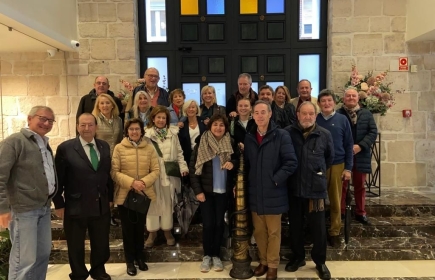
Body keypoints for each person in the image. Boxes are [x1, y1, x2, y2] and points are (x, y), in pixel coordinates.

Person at [54, 113, 113, 280]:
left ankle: (98, 271)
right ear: (77, 127)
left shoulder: (104, 146)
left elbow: (107, 175)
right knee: (75, 244)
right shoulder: (66, 148)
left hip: (100, 204)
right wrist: (59, 203)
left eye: (90, 125)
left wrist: (109, 198)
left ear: (96, 127)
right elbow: (58, 178)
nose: (87, 128)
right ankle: (79, 273)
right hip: (75, 205)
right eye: (83, 125)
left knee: (101, 242)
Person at [0, 106, 57, 280]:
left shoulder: (44, 144)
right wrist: (2, 208)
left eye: (50, 120)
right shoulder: (15, 142)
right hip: (24, 210)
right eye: (42, 118)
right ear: (30, 118)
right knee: (23, 261)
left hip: (43, 207)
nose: (46, 123)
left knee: (41, 256)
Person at [244, 100, 298, 280]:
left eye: (263, 112)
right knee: (259, 232)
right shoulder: (250, 136)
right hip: (255, 192)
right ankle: (263, 261)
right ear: (253, 115)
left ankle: (273, 264)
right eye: (256, 113)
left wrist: (275, 180)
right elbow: (248, 165)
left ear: (270, 114)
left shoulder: (281, 135)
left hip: (274, 192)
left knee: (274, 232)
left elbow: (291, 163)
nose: (259, 116)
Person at [285, 101, 334, 280]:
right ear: (297, 114)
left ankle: (320, 262)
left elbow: (329, 158)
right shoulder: (288, 133)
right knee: (295, 226)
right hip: (294, 188)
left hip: (315, 190)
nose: (307, 117)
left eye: (311, 114)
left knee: (319, 229)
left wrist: (316, 171)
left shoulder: (325, 134)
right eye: (304, 113)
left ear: (316, 115)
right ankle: (298, 257)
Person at [189, 114, 239, 273]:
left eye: (222, 125)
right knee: (209, 224)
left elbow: (238, 160)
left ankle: (216, 255)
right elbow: (193, 169)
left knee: (219, 224)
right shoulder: (201, 143)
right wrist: (198, 191)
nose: (219, 128)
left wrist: (233, 162)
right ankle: (207, 255)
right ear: (210, 126)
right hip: (206, 192)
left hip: (223, 191)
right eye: (215, 124)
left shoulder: (230, 142)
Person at [111, 118, 160, 276]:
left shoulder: (149, 148)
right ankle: (129, 261)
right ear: (127, 131)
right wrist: (132, 183)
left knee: (140, 229)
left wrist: (143, 183)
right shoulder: (119, 148)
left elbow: (156, 170)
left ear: (141, 131)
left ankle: (140, 257)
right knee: (127, 230)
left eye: (137, 129)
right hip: (125, 194)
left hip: (142, 194)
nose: (134, 132)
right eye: (131, 129)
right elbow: (114, 172)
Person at [144, 106, 189, 247]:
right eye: (158, 117)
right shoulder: (146, 135)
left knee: (168, 204)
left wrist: (183, 167)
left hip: (169, 175)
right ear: (153, 118)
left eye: (164, 118)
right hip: (152, 175)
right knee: (152, 204)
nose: (161, 120)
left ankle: (167, 231)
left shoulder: (173, 134)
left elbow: (179, 153)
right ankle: (152, 233)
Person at [316, 89, 353, 247]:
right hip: (318, 165)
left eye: (329, 101)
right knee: (317, 200)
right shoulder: (314, 119)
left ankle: (335, 232)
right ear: (318, 103)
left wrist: (348, 168)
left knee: (336, 200)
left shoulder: (342, 120)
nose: (326, 103)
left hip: (338, 164)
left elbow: (349, 144)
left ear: (334, 102)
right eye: (323, 101)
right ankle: (317, 231)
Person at [337, 87, 378, 225]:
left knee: (360, 185)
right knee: (342, 184)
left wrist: (360, 146)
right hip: (343, 155)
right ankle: (341, 211)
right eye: (348, 96)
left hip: (361, 155)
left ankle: (361, 212)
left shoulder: (366, 114)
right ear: (344, 98)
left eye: (353, 96)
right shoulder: (338, 114)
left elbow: (373, 132)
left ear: (358, 98)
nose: (351, 98)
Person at [179, 99, 207, 167]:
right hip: (188, 157)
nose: (191, 109)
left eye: (193, 107)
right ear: (185, 109)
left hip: (204, 156)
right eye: (189, 107)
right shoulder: (182, 126)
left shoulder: (204, 122)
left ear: (197, 109)